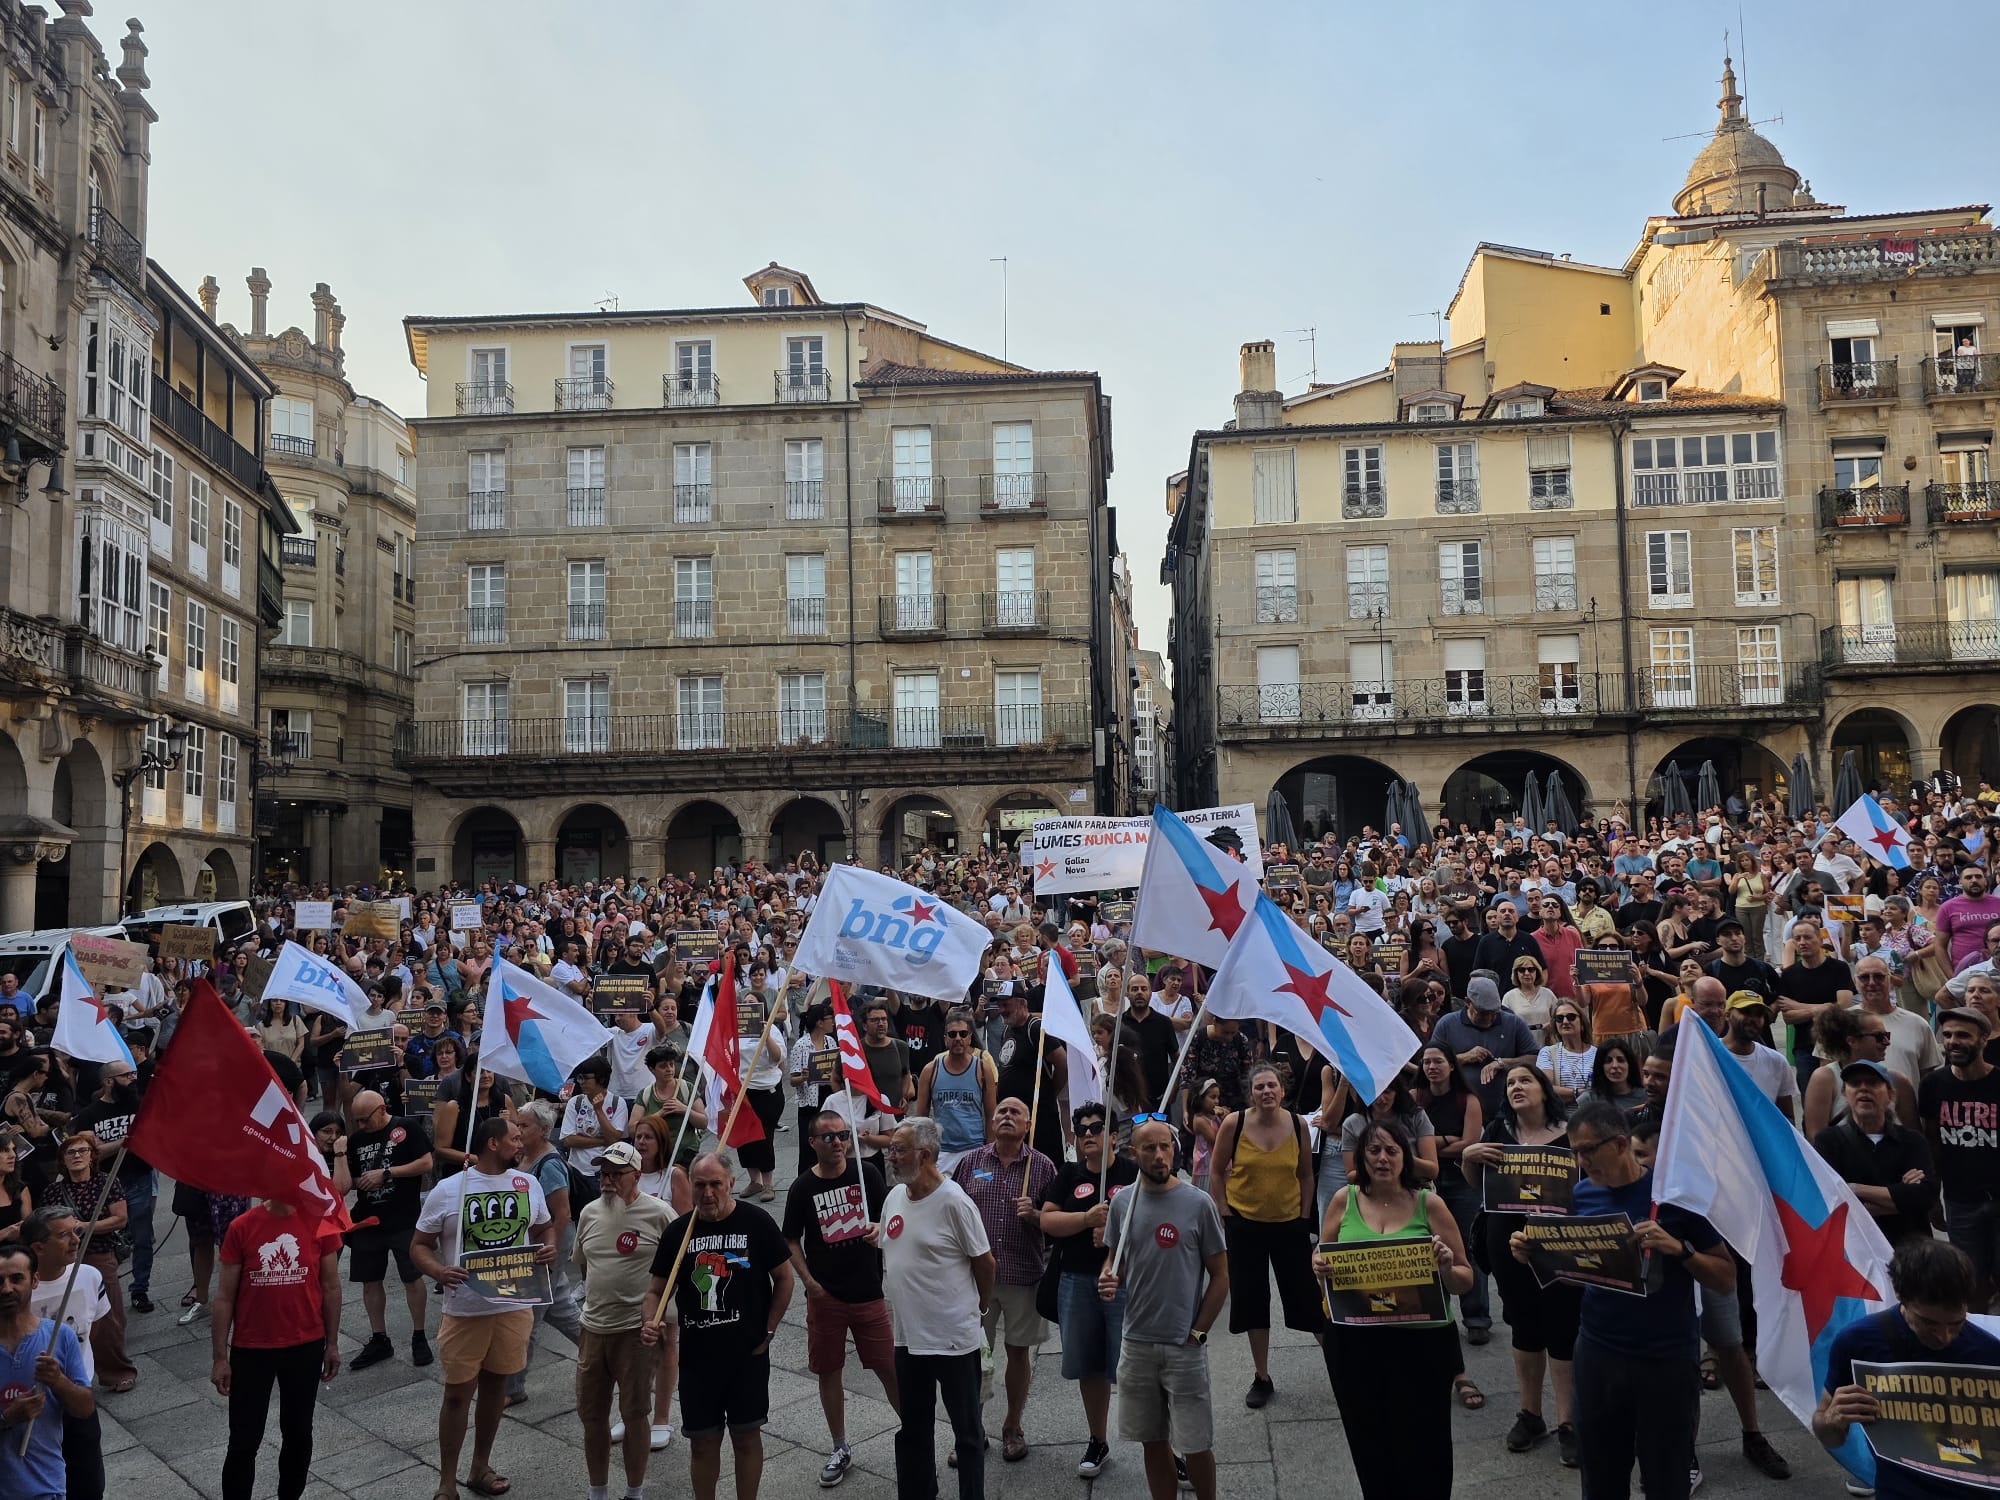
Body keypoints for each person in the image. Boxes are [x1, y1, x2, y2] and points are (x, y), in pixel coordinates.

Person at [1521, 1100, 1733, 1500]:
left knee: (1665, 1479)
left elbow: (1725, 1278)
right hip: (1599, 1353)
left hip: (1665, 1359)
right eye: (1574, 1151)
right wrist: (1537, 1254)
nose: (1580, 1161)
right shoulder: (1581, 1196)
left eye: (1588, 1150)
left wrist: (1680, 1250)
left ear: (1619, 1144)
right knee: (1600, 1477)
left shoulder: (1674, 1195)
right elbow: (1577, 1276)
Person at [1316, 1118, 1473, 1500]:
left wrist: (1446, 1267)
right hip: (1356, 1343)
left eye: (1392, 1150)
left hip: (1422, 1344)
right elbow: (1324, 1258)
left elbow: (1464, 1279)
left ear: (1407, 1157)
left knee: (1425, 1441)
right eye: (1374, 1150)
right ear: (1362, 1158)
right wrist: (1318, 1264)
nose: (1383, 1158)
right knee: (1368, 1437)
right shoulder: (1344, 1199)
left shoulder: (1429, 1204)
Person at [411, 1114, 556, 1500]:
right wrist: (440, 1272)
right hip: (466, 1310)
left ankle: (480, 1466)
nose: (521, 1142)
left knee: (496, 1389)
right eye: (514, 1136)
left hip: (513, 1304)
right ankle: (446, 1480)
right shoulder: (449, 1189)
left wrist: (548, 1246)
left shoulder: (528, 1184)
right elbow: (419, 1245)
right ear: (493, 1143)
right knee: (457, 1394)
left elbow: (544, 1227)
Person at [645, 1150, 793, 1500]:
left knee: (746, 1437)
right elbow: (655, 1291)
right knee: (702, 1443)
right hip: (698, 1359)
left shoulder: (756, 1222)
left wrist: (769, 1330)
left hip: (747, 1355)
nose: (708, 1193)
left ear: (731, 1183)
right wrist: (650, 1320)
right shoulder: (679, 1232)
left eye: (715, 1184)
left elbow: (784, 1279)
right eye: (700, 1185)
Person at [1098, 1117, 1229, 1500]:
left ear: (1175, 1150)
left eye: (1165, 1147)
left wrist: (1198, 1333)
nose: (1159, 1155)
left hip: (1183, 1344)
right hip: (1136, 1341)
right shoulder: (1122, 1203)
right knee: (1152, 1441)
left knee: (1196, 1442)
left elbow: (1221, 1276)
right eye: (1150, 1148)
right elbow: (1113, 1263)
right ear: (1133, 1153)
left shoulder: (1198, 1203)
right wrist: (1107, 1277)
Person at [1816, 1239, 2000, 1496]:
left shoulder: (1990, 1352)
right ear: (1902, 1297)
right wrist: (1832, 1419)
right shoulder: (1858, 1342)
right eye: (1929, 1324)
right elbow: (1830, 1436)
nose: (1945, 1336)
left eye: (1956, 1324)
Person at [1461, 1064, 1579, 1464]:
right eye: (1510, 1083)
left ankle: (1569, 1421)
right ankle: (1531, 1414)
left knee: (1563, 1327)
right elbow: (1477, 1184)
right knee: (1523, 1326)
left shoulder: (1570, 1134)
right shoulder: (1498, 1131)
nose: (1516, 1087)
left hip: (1558, 1244)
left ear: (1544, 1090)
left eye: (1525, 1080)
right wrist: (1468, 1155)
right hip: (1507, 1246)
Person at [875, 1115, 994, 1500]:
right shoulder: (895, 1196)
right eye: (890, 1148)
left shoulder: (955, 1202)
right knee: (913, 1429)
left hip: (952, 1340)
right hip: (908, 1338)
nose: (890, 1156)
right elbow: (896, 1242)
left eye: (898, 1149)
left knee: (968, 1435)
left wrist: (980, 1309)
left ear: (924, 1155)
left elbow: (985, 1262)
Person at [782, 1108, 899, 1488]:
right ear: (812, 1142)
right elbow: (790, 1239)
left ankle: (914, 1433)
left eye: (844, 1135)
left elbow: (891, 1216)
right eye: (829, 1137)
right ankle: (839, 1446)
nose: (838, 1142)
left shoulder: (867, 1174)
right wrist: (809, 1282)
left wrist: (880, 1227)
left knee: (889, 1369)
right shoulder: (802, 1188)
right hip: (826, 1296)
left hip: (868, 1293)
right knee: (828, 1370)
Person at [1205, 1062, 1322, 1410]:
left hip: (1290, 1224)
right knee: (1253, 1301)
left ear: (1282, 1090)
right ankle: (1262, 1376)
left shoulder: (1299, 1124)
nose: (1267, 1091)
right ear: (1251, 1093)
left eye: (1272, 1086)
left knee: (1307, 1296)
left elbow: (1305, 1175)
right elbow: (1215, 1169)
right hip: (1246, 1224)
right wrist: (1226, 1212)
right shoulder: (1234, 1123)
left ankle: (1340, 1361)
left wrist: (1304, 1216)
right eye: (1260, 1087)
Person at [210, 1195, 343, 1500]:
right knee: (244, 1441)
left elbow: (331, 1286)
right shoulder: (242, 1227)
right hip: (252, 1348)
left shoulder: (320, 1222)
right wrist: (220, 1357)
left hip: (305, 1346)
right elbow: (224, 1297)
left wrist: (332, 1342)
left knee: (298, 1434)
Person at [949, 1095, 1054, 1460]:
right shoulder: (971, 1162)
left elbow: (1056, 1224)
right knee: (974, 1356)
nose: (1008, 1116)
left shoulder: (1042, 1167)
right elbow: (952, 1214)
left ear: (1028, 1125)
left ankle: (1013, 1425)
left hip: (1024, 1274)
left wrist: (1036, 1214)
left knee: (1018, 1353)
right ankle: (971, 1430)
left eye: (1016, 1113)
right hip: (976, 1279)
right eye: (1002, 1112)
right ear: (992, 1123)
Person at [1037, 1101, 1137, 1477]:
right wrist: (1086, 1218)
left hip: (1124, 1283)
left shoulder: (1131, 1172)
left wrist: (1112, 1229)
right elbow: (1048, 1219)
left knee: (1136, 1366)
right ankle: (1098, 1439)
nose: (1088, 1136)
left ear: (1113, 1136)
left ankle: (1161, 1445)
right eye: (1081, 1131)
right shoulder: (1069, 1174)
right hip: (1077, 1281)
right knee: (1089, 1366)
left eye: (1096, 1129)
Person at [573, 1140, 674, 1500]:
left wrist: (665, 1319)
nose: (608, 1180)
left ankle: (635, 1491)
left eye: (616, 1173)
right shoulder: (588, 1213)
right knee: (592, 1416)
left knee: (634, 1414)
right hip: (593, 1328)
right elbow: (583, 1264)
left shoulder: (659, 1213)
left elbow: (678, 1268)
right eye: (604, 1173)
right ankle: (597, 1490)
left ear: (637, 1175)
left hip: (635, 1331)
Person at [339, 1088, 435, 1373]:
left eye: (365, 1120)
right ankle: (379, 1337)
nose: (361, 1126)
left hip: (403, 1217)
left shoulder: (406, 1127)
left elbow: (426, 1163)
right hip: (368, 1220)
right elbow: (345, 1185)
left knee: (412, 1277)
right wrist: (342, 1154)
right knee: (370, 1280)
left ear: (381, 1109)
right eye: (356, 1121)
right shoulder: (356, 1140)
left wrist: (388, 1173)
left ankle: (419, 1335)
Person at [38, 1132, 136, 1392]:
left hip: (100, 1253)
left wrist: (84, 1226)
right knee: (68, 1316)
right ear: (63, 1160)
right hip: (64, 1259)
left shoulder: (107, 1182)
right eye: (71, 1152)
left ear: (93, 1156)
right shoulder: (53, 1191)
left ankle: (117, 1370)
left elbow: (120, 1219)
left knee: (109, 1315)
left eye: (83, 1151)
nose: (77, 1156)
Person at [22, 1207, 108, 1500]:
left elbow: (92, 1329)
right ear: (38, 1247)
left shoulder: (89, 1276)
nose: (75, 1239)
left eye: (76, 1231)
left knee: (88, 1485)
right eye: (64, 1234)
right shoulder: (18, 1289)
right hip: (32, 1406)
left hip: (77, 1399)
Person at [1919, 1008, 2000, 1311]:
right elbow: (1931, 1142)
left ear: (1984, 1039)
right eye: (1948, 1035)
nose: (1953, 1041)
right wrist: (1933, 1196)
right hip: (1959, 1199)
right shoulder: (1933, 1086)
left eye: (1963, 1035)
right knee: (1970, 1279)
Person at [1417, 1042, 1491, 1370]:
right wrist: (1449, 1140)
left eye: (1438, 1062)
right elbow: (1408, 1141)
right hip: (1426, 1183)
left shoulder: (1468, 1099)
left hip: (1463, 1180)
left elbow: (1471, 1144)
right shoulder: (1416, 1098)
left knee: (1466, 1246)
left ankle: (1476, 1317)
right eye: (1427, 1062)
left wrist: (1431, 1143)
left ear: (1451, 1066)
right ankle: (1433, 1308)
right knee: (1430, 1247)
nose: (1432, 1067)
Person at [0, 1240, 91, 1500]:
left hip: (45, 1487)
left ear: (35, 1280)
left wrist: (58, 1381)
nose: (6, 1289)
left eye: (17, 1279)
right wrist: (7, 1419)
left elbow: (84, 1408)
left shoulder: (59, 1337)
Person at [510, 1099, 585, 1410]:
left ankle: (513, 1387)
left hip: (546, 1249)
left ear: (542, 1131)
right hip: (534, 1248)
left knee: (527, 1319)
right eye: (518, 1124)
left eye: (524, 1126)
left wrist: (550, 1250)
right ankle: (602, 1353)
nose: (518, 1130)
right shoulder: (524, 1157)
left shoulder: (549, 1164)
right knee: (561, 1308)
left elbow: (562, 1213)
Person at [1814, 1059, 1937, 1246]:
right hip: (1856, 1250)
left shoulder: (1912, 1141)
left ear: (1891, 1095)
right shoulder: (1829, 1141)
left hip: (1909, 1249)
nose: (1864, 1089)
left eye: (1873, 1083)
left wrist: (1854, 1188)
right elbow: (1832, 1200)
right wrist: (1901, 1198)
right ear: (1845, 1094)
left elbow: (1925, 1196)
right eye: (1855, 1084)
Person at [69, 1059, 155, 1316]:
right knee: (109, 1242)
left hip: (139, 1180)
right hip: (106, 1187)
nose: (133, 1079)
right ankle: (105, 1288)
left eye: (133, 1074)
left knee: (142, 1238)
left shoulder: (141, 1106)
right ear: (109, 1081)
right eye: (127, 1075)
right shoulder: (89, 1115)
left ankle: (140, 1289)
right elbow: (92, 1154)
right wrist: (129, 1139)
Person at [1430, 975, 1538, 1120]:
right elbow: (1431, 1064)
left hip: (1506, 1112)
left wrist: (1502, 1063)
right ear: (1467, 1002)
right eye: (1483, 1013)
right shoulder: (1447, 1024)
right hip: (1460, 1112)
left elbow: (1535, 1058)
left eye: (1494, 1013)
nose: (1489, 1018)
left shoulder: (1513, 1023)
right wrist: (1464, 1058)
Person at [913, 1010, 996, 1172]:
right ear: (945, 1039)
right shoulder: (931, 1070)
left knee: (977, 1195)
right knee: (943, 1197)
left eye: (963, 1033)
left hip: (976, 1150)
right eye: (952, 1034)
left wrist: (990, 1153)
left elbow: (991, 1115)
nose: (958, 1038)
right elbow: (921, 1119)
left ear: (970, 1038)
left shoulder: (982, 1068)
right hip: (942, 1153)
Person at [560, 1056, 631, 1215]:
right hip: (577, 1172)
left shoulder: (617, 1103)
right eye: (579, 1077)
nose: (581, 1082)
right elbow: (568, 1140)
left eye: (585, 1078)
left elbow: (614, 1139)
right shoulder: (575, 1102)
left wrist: (599, 1111)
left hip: (603, 1173)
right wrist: (602, 1140)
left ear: (600, 1078)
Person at [1536, 1000, 1596, 1104]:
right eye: (1559, 1018)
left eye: (1571, 1017)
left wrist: (1563, 1094)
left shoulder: (1597, 1054)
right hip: (1561, 1116)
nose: (1565, 1022)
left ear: (1582, 1023)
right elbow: (1544, 1087)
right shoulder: (1547, 1053)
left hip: (1592, 1114)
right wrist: (1578, 1093)